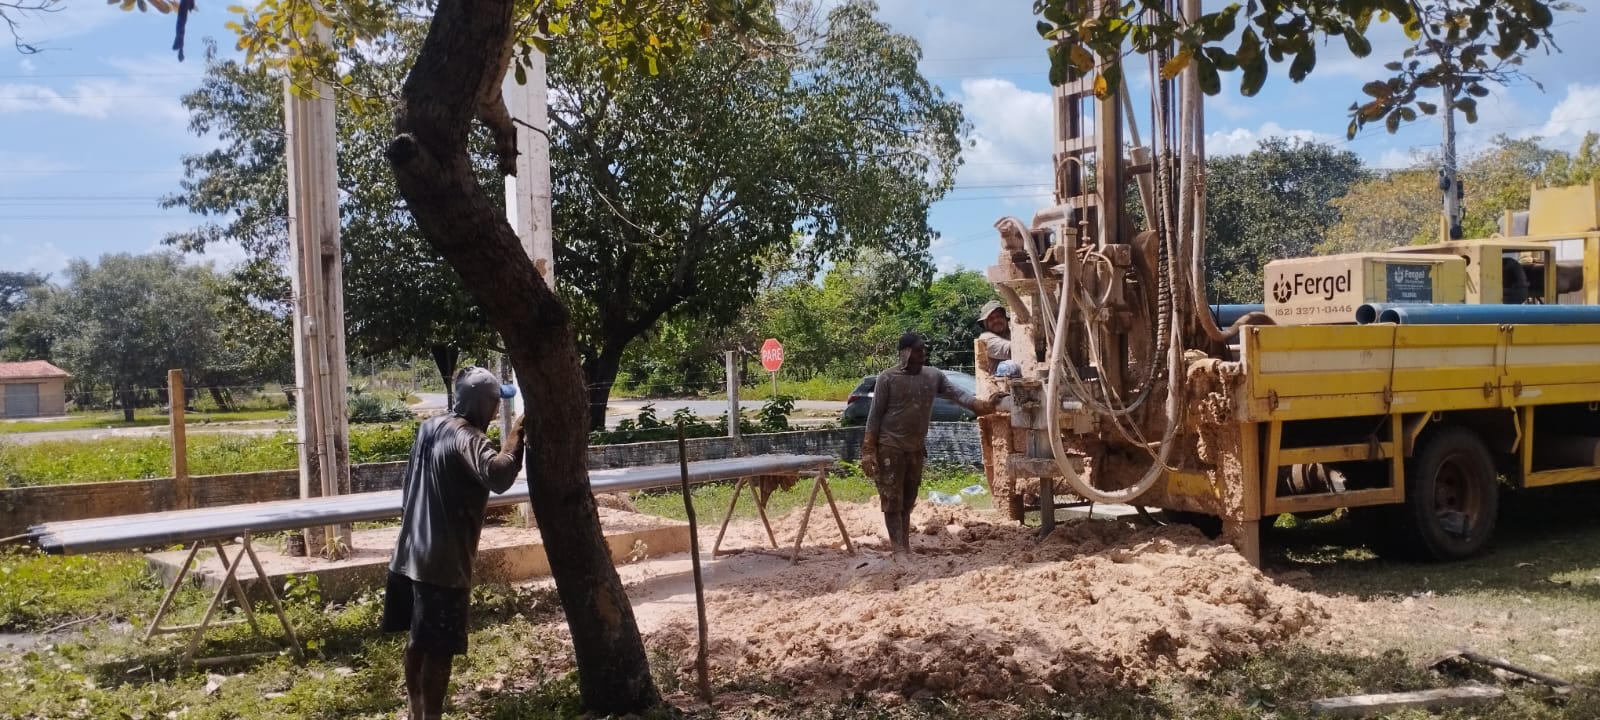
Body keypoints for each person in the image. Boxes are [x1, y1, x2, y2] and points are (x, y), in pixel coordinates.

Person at [383, 366, 524, 720]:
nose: (497, 411)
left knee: (418, 639)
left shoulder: (430, 426)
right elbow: (500, 474)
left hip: (408, 553)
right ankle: (430, 717)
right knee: (439, 649)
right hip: (440, 564)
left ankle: (415, 711)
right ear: (482, 404)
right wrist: (519, 432)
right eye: (495, 404)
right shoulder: (469, 438)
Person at [861, 333, 999, 557]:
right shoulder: (887, 378)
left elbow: (959, 395)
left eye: (923, 350)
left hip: (915, 448)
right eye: (917, 351)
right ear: (905, 353)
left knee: (908, 500)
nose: (921, 355)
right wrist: (868, 451)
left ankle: (904, 546)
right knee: (892, 501)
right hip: (890, 446)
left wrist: (984, 406)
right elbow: (874, 415)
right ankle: (898, 550)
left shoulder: (933, 376)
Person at [977, 300, 1021, 378]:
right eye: (991, 319)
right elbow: (1014, 350)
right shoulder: (985, 338)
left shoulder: (1014, 334)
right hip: (1000, 387)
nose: (996, 320)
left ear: (1005, 318)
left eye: (999, 316)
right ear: (985, 324)